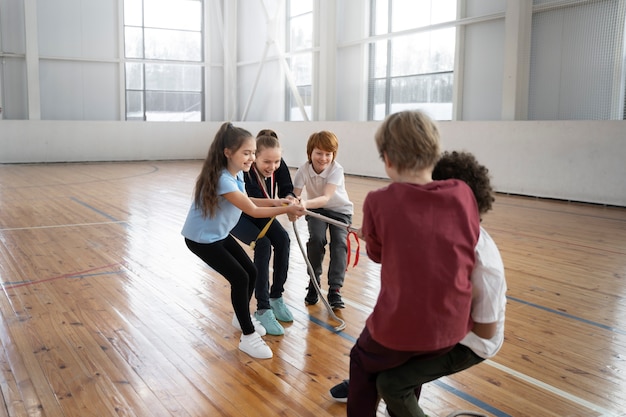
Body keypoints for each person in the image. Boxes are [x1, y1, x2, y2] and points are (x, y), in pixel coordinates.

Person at [329, 150, 507, 417]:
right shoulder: (441, 233)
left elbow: (485, 331)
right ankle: (376, 386)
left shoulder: (484, 260)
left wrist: (440, 318)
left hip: (470, 343)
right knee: (394, 356)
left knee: (392, 383)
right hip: (440, 327)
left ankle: (384, 390)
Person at [345, 110, 480, 416]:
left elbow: (377, 255)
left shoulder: (378, 201)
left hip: (399, 328)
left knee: (363, 359)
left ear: (388, 159)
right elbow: (468, 241)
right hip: (452, 328)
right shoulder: (463, 194)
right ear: (435, 153)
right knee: (407, 362)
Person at [181, 122, 304, 359]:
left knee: (251, 272)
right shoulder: (223, 180)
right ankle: (248, 337)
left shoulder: (234, 175)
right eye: (246, 153)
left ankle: (241, 317)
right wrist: (284, 209)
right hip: (202, 240)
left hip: (217, 235)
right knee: (240, 277)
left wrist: (282, 202)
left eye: (252, 153)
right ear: (228, 152)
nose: (251, 158)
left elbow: (253, 201)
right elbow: (253, 211)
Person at [231, 129, 298, 336]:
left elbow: (287, 187)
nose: (273, 167)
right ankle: (263, 308)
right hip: (239, 214)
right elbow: (249, 204)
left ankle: (276, 296)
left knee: (283, 240)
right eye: (267, 162)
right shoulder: (245, 169)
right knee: (263, 244)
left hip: (263, 211)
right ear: (254, 157)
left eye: (276, 162)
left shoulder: (278, 162)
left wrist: (291, 199)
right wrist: (284, 207)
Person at [292, 130, 354, 309]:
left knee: (339, 244)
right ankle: (314, 282)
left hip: (339, 211)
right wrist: (293, 205)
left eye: (328, 154)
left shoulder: (337, 170)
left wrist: (304, 203)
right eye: (319, 153)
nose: (324, 158)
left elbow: (326, 198)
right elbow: (294, 195)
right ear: (310, 152)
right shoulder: (303, 170)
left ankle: (335, 289)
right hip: (316, 210)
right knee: (316, 240)